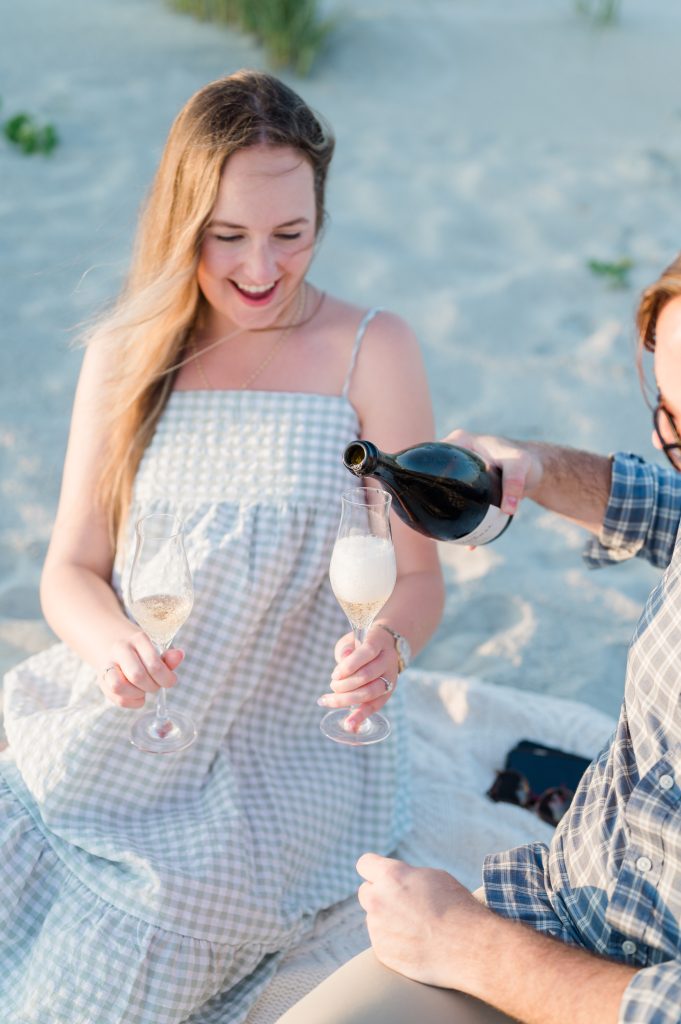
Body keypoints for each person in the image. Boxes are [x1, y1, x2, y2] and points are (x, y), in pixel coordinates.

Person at [0, 71, 444, 1024]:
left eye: (291, 234)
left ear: (320, 213)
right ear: (180, 221)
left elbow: (415, 576)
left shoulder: (375, 349)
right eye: (226, 236)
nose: (259, 269)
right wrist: (109, 642)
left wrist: (390, 651)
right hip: (133, 716)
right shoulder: (129, 352)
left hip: (286, 746)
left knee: (160, 911)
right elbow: (70, 566)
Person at [277, 258, 681, 1024]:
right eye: (669, 418)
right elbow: (669, 510)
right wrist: (538, 467)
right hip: (558, 907)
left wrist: (467, 945)